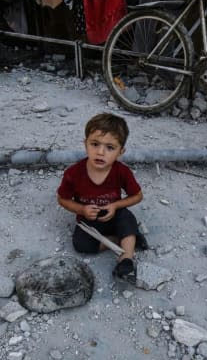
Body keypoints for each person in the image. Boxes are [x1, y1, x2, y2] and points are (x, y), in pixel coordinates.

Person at [57, 113, 148, 282]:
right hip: (88, 220)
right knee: (80, 244)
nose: (100, 152)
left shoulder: (122, 171)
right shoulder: (73, 173)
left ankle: (126, 258)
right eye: (95, 144)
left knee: (126, 218)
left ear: (121, 152)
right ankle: (126, 239)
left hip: (114, 214)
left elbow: (137, 196)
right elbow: (62, 199)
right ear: (85, 144)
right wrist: (81, 209)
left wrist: (115, 205)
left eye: (110, 147)